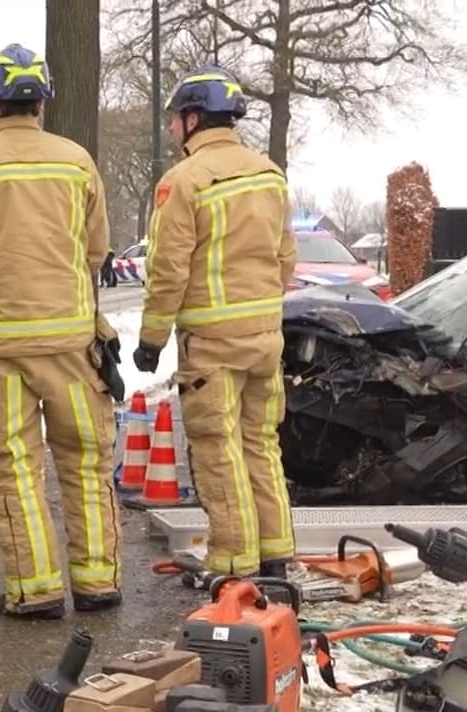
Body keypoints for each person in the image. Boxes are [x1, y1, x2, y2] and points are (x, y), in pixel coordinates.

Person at [0, 43, 121, 620]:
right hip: (73, 347)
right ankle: (98, 584)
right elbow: (97, 249)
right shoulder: (76, 160)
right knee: (86, 464)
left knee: (16, 469)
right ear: (43, 98)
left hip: (2, 348)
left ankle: (34, 590)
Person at [135, 65, 297, 577]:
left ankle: (232, 566)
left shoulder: (183, 181)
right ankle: (275, 555)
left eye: (174, 120)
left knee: (217, 448)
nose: (171, 130)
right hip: (266, 339)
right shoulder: (270, 175)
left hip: (212, 343)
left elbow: (168, 269)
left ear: (192, 118)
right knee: (261, 444)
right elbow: (286, 257)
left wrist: (151, 337)